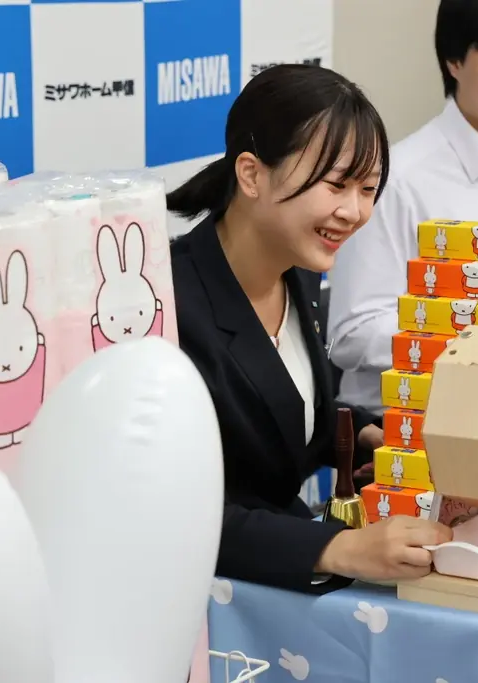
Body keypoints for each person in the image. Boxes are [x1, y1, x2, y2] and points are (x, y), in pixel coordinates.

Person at [166, 64, 451, 595]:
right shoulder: (169, 308)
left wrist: (367, 437)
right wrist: (338, 548)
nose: (355, 212)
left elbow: (284, 412)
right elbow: (173, 512)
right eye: (337, 185)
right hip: (208, 599)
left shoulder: (296, 271)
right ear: (251, 175)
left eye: (368, 189)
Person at [326, 0, 478, 417]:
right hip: (402, 425)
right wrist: (474, 337)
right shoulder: (397, 180)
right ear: (454, 61)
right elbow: (350, 334)